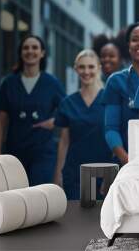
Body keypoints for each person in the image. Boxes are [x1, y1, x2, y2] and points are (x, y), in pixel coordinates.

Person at [0, 35, 65, 186]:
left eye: (35, 48)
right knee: (15, 197)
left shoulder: (52, 83)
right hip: (14, 153)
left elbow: (66, 111)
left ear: (42, 53)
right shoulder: (9, 83)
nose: (30, 51)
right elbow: (1, 121)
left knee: (37, 197)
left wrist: (54, 121)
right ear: (21, 53)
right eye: (26, 48)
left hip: (43, 152)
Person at [53, 49, 113, 199]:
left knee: (99, 221)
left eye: (91, 67)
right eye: (82, 67)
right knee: (76, 219)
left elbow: (116, 139)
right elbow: (64, 142)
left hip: (103, 174)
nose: (86, 71)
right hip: (74, 174)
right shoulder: (68, 103)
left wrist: (113, 173)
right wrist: (57, 175)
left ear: (98, 68)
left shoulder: (110, 100)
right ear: (76, 69)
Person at [103, 22, 139, 164]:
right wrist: (127, 160)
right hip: (126, 162)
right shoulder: (116, 81)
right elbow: (111, 129)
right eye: (135, 39)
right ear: (128, 45)